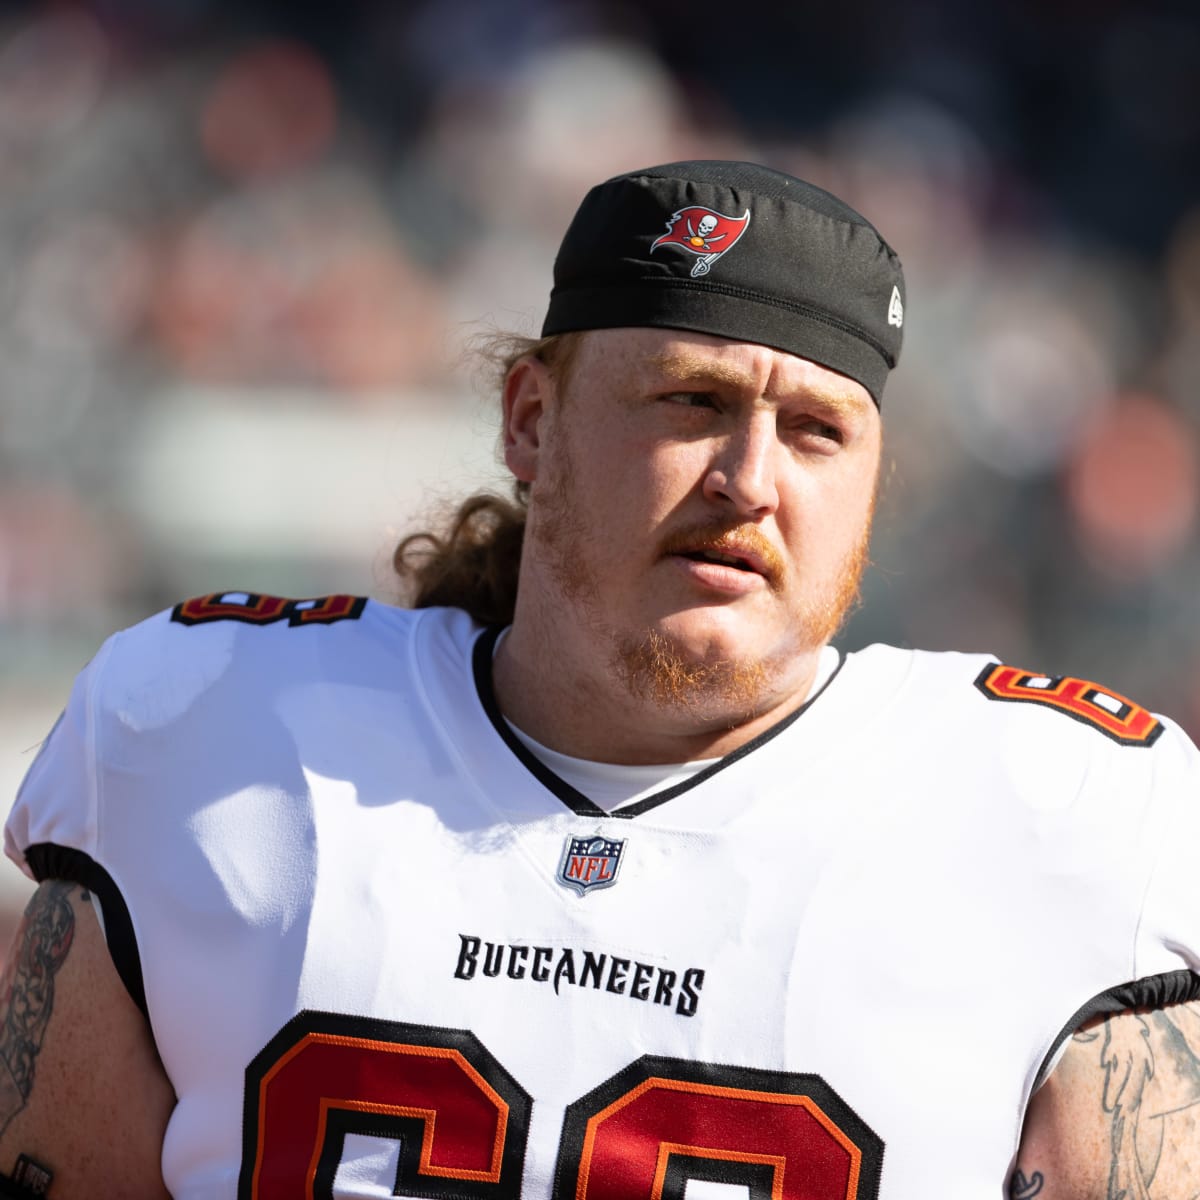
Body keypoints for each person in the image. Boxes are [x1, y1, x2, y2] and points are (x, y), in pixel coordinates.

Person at [0, 159, 1197, 1200]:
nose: (751, 478)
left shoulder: (1065, 816)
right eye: (693, 400)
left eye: (819, 431)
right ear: (530, 421)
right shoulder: (207, 726)